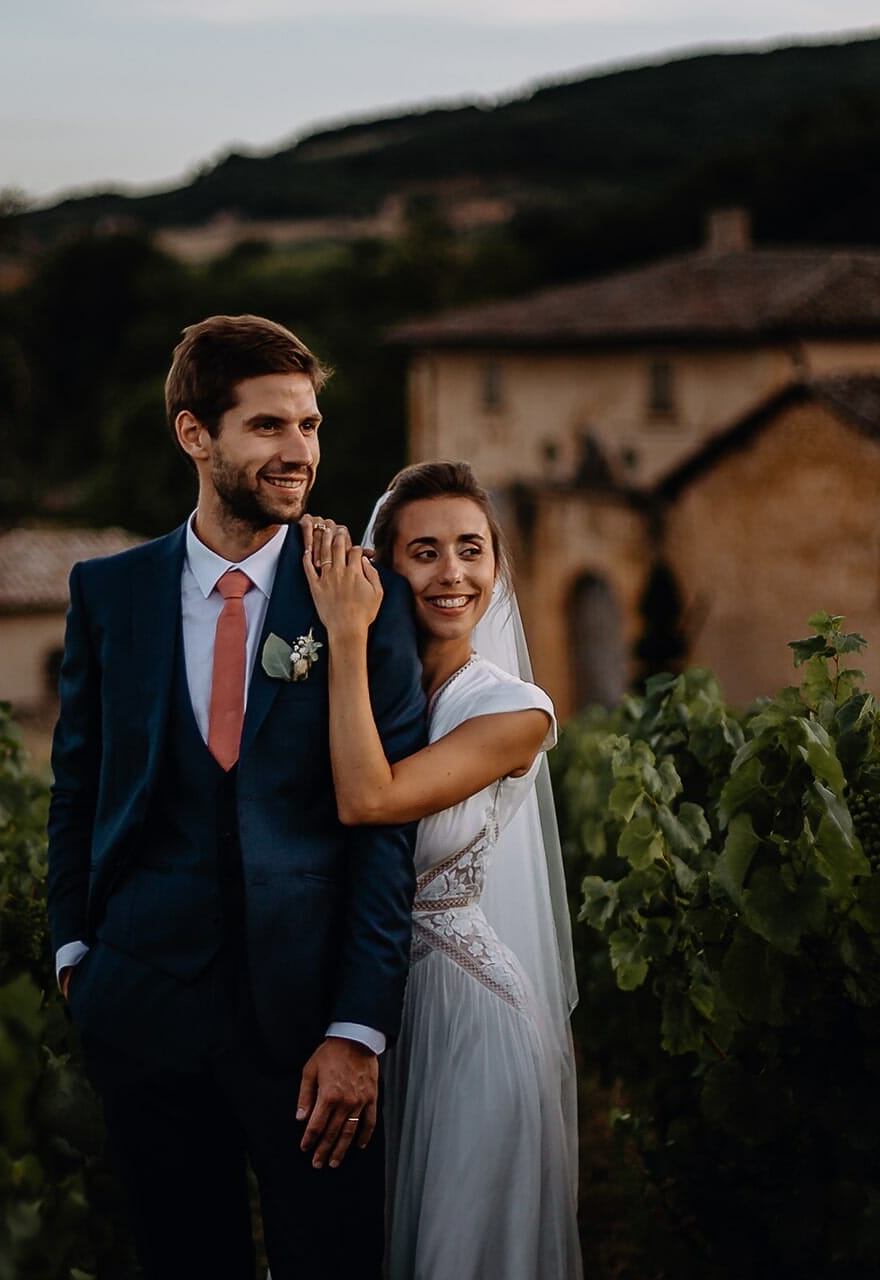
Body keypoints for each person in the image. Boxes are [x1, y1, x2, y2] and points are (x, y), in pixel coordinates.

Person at [45, 315, 428, 1280]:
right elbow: (78, 786)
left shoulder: (358, 599)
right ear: (193, 435)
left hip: (308, 1032)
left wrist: (356, 1028)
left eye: (310, 424)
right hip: (141, 1006)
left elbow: (385, 832)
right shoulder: (110, 594)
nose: (298, 452)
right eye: (267, 427)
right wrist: (74, 956)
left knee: (332, 1262)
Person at [302, 460, 583, 1280]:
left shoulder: (514, 710)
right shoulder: (358, 690)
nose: (452, 573)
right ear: (383, 566)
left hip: (470, 1021)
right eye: (424, 552)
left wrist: (348, 635)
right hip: (364, 1007)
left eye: (472, 550)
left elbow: (367, 799)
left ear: (497, 568)